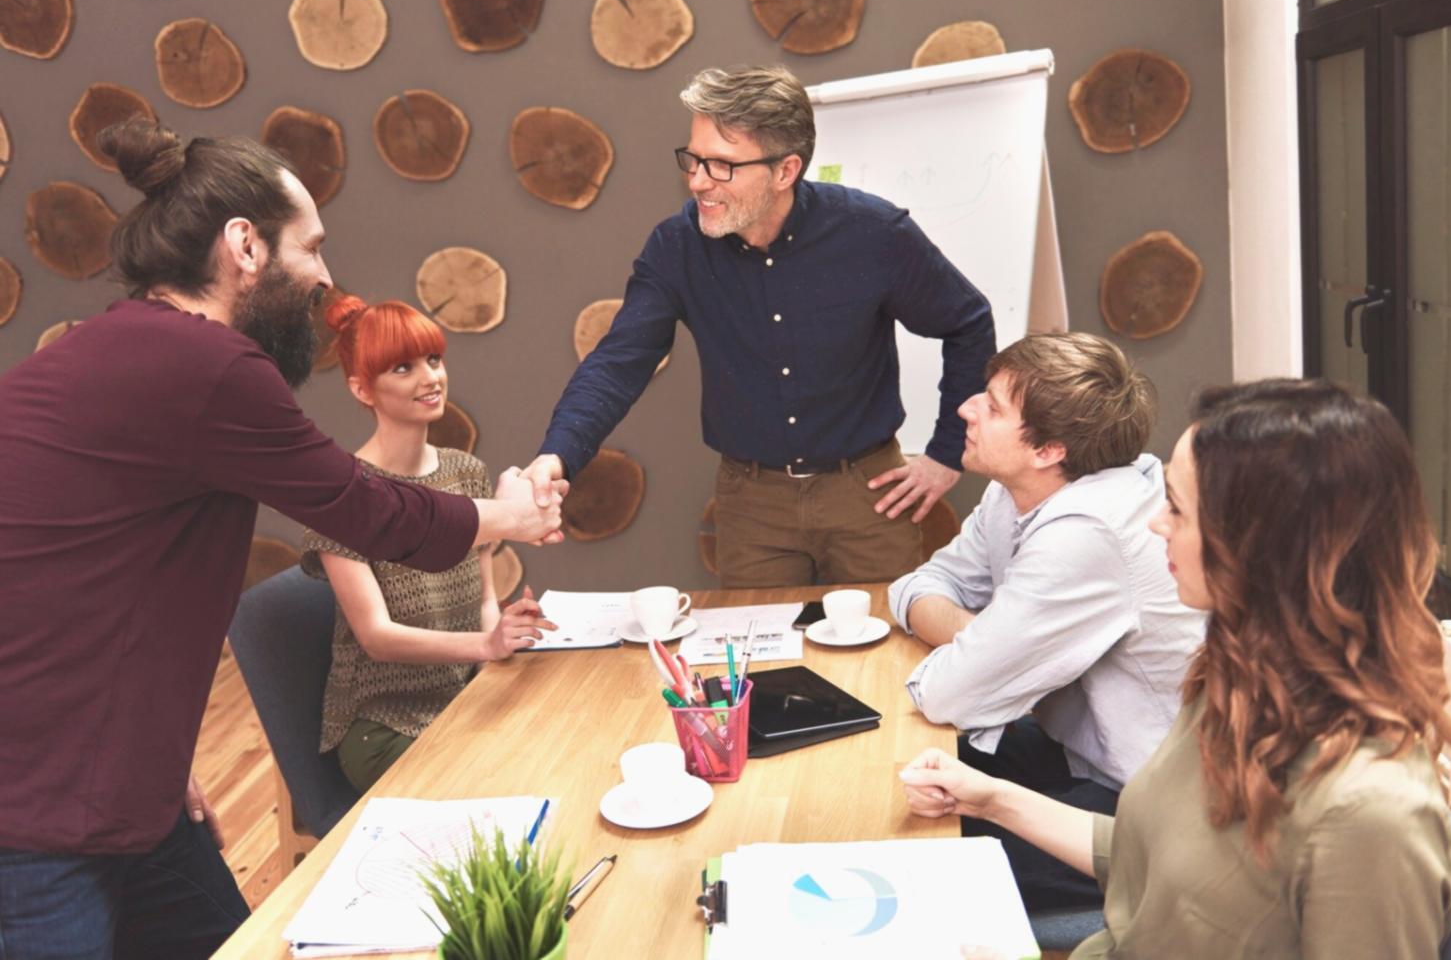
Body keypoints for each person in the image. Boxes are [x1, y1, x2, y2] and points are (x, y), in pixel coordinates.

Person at [0, 120, 565, 960]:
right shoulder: (209, 365)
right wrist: (510, 516)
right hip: (36, 816)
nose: (326, 276)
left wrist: (137, 750)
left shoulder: (114, 351)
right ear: (245, 246)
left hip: (112, 785)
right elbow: (368, 510)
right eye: (312, 246)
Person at [901, 378, 1451, 957]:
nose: (1155, 524)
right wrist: (988, 797)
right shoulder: (1231, 675)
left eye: (1177, 508)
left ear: (1260, 548)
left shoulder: (1369, 813)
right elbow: (1158, 858)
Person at [523, 64, 996, 588]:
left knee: (887, 659)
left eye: (722, 165)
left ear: (785, 170)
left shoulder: (873, 234)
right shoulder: (676, 248)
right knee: (758, 666)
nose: (698, 180)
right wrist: (557, 456)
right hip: (752, 506)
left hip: (868, 496)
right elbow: (618, 363)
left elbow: (967, 321)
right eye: (694, 159)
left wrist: (947, 453)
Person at [889, 332, 1205, 913]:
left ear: (1047, 450)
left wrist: (996, 650)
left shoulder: (1089, 529)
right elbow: (915, 587)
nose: (966, 408)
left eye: (992, 404)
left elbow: (946, 692)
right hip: (1080, 750)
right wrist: (996, 642)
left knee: (911, 862)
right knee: (895, 776)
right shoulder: (1016, 491)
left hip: (1155, 806)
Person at [303, 296, 556, 792]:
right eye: (404, 367)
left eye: (434, 360)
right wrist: (485, 644)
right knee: (516, 785)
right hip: (387, 728)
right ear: (361, 388)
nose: (430, 378)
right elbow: (376, 637)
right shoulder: (344, 497)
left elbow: (484, 600)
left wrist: (499, 639)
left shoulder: (465, 472)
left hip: (466, 700)